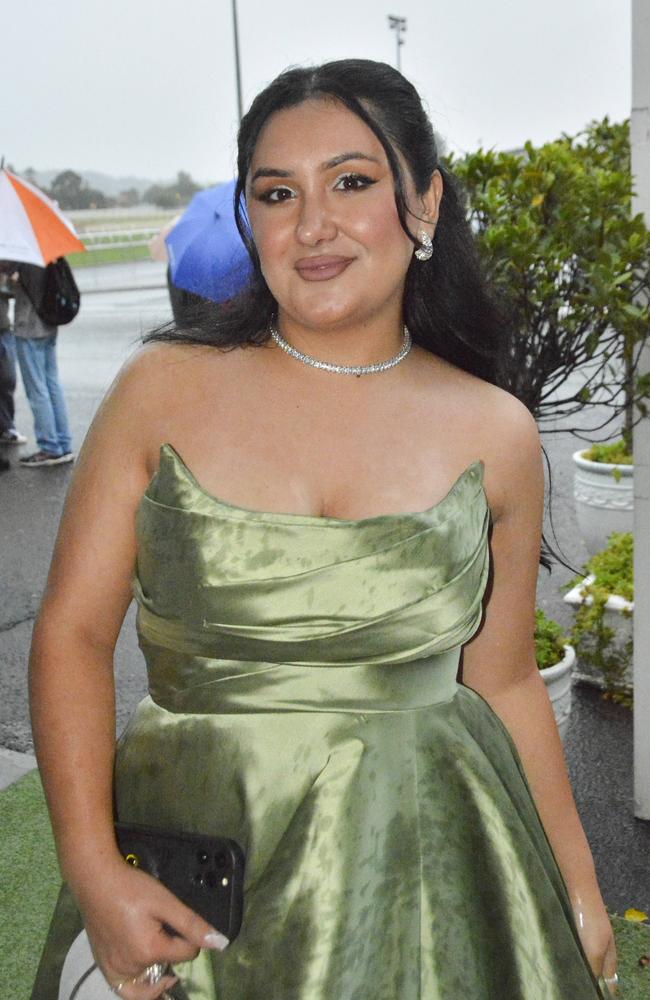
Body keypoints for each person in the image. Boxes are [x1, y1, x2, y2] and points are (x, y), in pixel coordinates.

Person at [30, 60, 617, 999]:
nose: (312, 226)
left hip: (430, 872)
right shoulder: (162, 391)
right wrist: (93, 869)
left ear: (422, 202)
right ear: (248, 217)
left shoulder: (494, 431)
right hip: (197, 869)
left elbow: (502, 681)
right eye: (277, 193)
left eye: (351, 181)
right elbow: (71, 633)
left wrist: (578, 888)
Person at [13, 266, 74, 467]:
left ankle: (49, 447)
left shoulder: (22, 255)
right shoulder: (46, 251)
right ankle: (63, 444)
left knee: (37, 390)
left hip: (29, 327)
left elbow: (16, 288)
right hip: (48, 324)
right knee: (52, 385)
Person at [0, 269, 27, 448]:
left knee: (8, 381)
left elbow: (11, 291)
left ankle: (6, 427)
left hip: (3, 331)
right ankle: (6, 427)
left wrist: (8, 280)